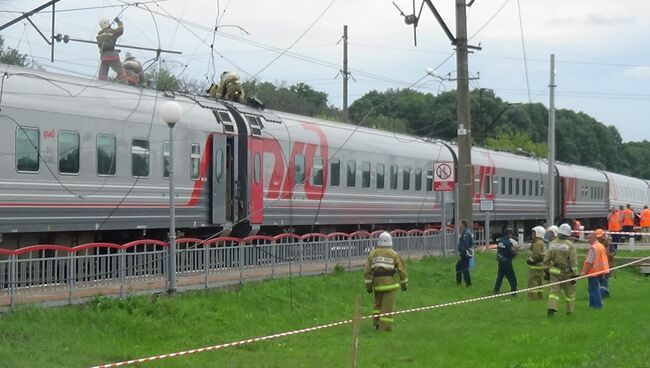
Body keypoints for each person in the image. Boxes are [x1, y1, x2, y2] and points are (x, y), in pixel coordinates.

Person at [363, 232, 408, 331]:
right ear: (390, 242)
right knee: (387, 308)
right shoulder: (394, 254)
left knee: (377, 305)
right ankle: (385, 328)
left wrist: (369, 286)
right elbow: (401, 270)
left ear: (378, 242)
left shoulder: (373, 254)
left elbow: (367, 272)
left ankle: (376, 323)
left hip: (377, 285)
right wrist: (404, 283)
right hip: (389, 285)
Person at [544, 223, 578, 316]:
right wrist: (575, 274)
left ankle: (551, 308)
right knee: (570, 294)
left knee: (553, 292)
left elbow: (546, 259)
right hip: (567, 273)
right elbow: (573, 261)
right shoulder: (570, 245)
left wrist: (546, 271)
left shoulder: (552, 243)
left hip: (554, 271)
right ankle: (569, 312)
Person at [581, 229, 610, 309]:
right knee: (596, 289)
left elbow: (589, 261)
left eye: (589, 238)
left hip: (594, 272)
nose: (588, 240)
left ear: (594, 238)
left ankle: (596, 306)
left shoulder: (594, 248)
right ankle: (594, 305)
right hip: (601, 270)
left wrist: (584, 272)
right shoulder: (600, 246)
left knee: (593, 290)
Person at [96, 17, 127, 83]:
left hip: (103, 56)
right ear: (106, 23)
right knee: (121, 71)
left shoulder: (99, 35)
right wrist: (119, 22)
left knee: (102, 74)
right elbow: (121, 30)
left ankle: (100, 85)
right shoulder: (112, 31)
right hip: (112, 56)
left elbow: (101, 46)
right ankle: (124, 85)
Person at [493, 228, 518, 295]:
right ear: (509, 234)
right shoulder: (508, 243)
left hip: (501, 261)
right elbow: (511, 253)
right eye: (511, 234)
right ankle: (514, 291)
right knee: (512, 277)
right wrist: (515, 252)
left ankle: (496, 289)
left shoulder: (499, 241)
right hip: (507, 262)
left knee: (500, 276)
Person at [527, 226, 546, 301]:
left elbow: (536, 253)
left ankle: (533, 298)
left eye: (534, 233)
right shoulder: (539, 242)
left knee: (532, 282)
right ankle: (539, 297)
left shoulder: (538, 243)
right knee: (539, 282)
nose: (532, 235)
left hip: (535, 266)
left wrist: (530, 260)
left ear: (538, 234)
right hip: (539, 265)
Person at [596, 230, 614, 298]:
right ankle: (602, 292)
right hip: (598, 265)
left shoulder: (608, 244)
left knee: (604, 279)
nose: (599, 238)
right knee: (600, 279)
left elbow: (613, 253)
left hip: (606, 265)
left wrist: (609, 255)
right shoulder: (596, 243)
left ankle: (604, 293)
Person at [455, 219, 473, 287]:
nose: (459, 225)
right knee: (459, 267)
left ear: (463, 225)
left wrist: (461, 254)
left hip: (465, 254)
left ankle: (468, 284)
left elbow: (464, 245)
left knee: (464, 268)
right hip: (465, 254)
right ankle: (459, 283)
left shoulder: (466, 234)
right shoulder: (465, 232)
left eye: (460, 224)